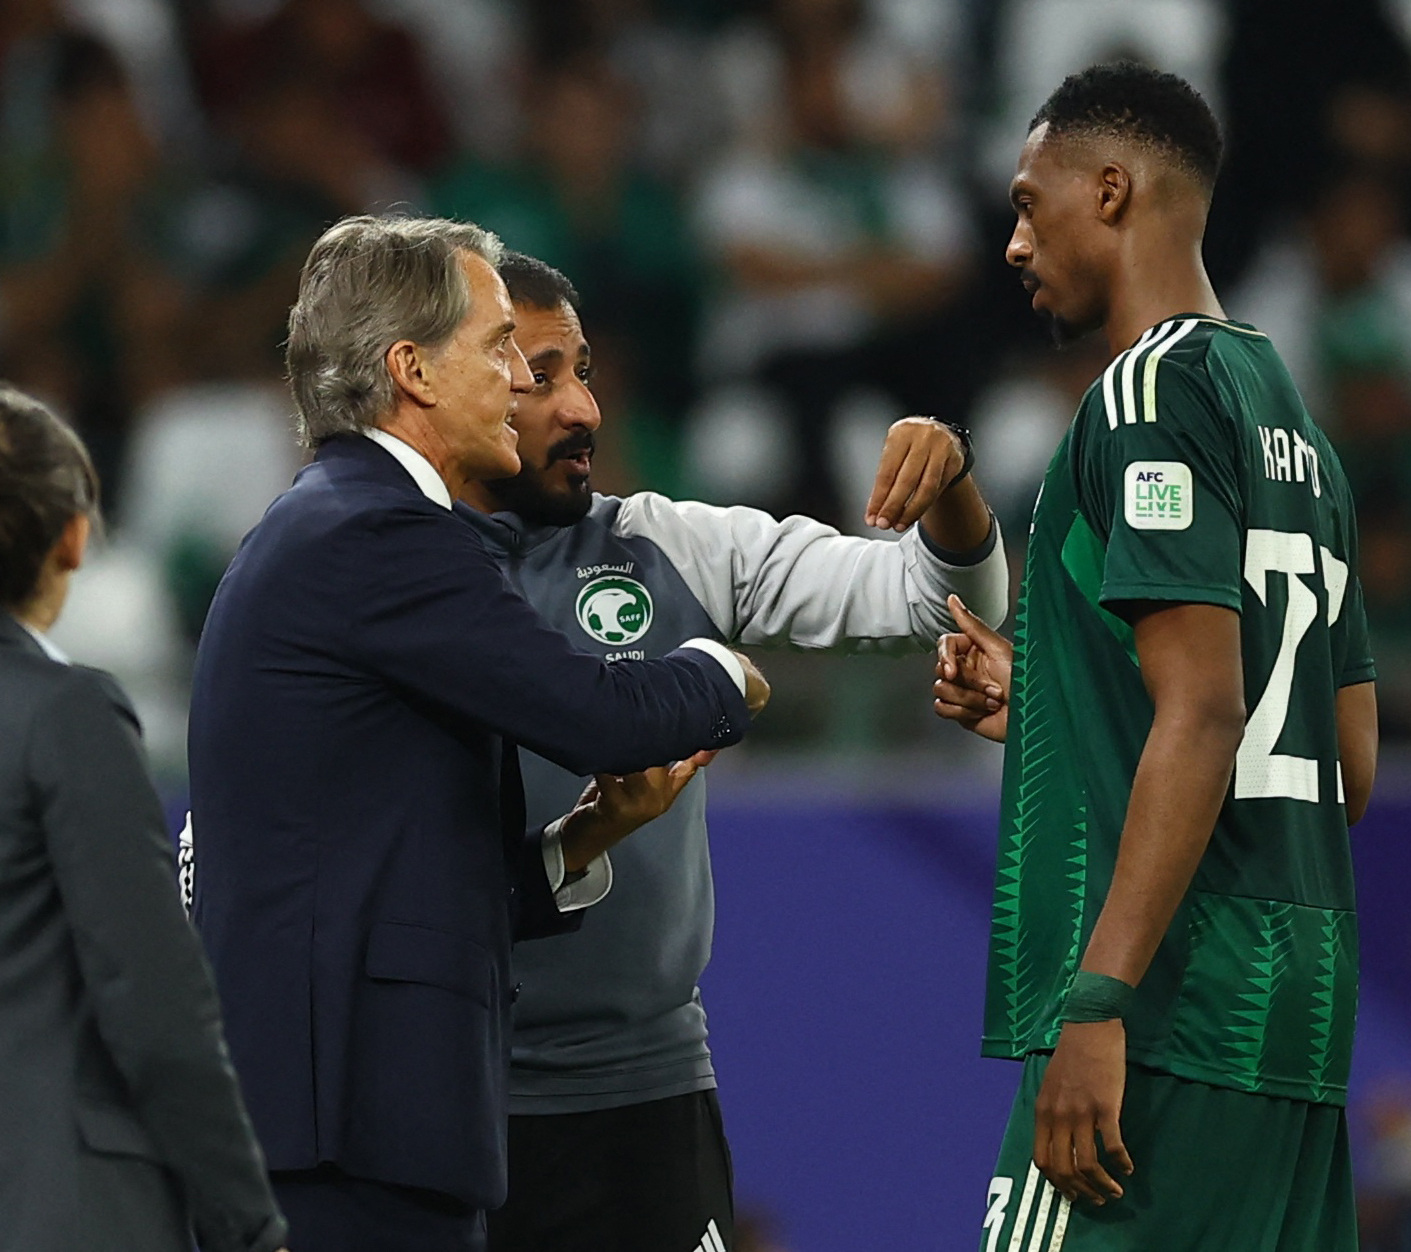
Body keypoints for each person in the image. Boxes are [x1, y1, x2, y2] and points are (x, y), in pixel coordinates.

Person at [188, 216, 768, 1252]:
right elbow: (597, 712)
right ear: (410, 368)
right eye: (499, 347)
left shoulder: (332, 524)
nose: (522, 382)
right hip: (351, 1133)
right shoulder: (381, 533)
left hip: (349, 1123)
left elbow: (397, 871)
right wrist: (722, 668)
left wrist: (581, 841)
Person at [459, 251, 1008, 1252]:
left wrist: (951, 474)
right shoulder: (389, 580)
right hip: (447, 1093)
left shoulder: (671, 545)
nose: (581, 406)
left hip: (647, 1092)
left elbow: (933, 597)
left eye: (584, 370)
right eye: (541, 375)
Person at [931, 64, 1380, 1250]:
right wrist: (1051, 703)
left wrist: (1095, 999)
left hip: (1166, 1009)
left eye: (1032, 205)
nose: (1016, 243)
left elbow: (1205, 711)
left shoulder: (1144, 396)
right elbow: (1342, 762)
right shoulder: (1295, 426)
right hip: (1297, 1022)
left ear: (1113, 191)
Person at [0, 384, 286, 1252]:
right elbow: (158, 1008)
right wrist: (249, 1220)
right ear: (74, 540)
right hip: (57, 1209)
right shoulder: (67, 718)